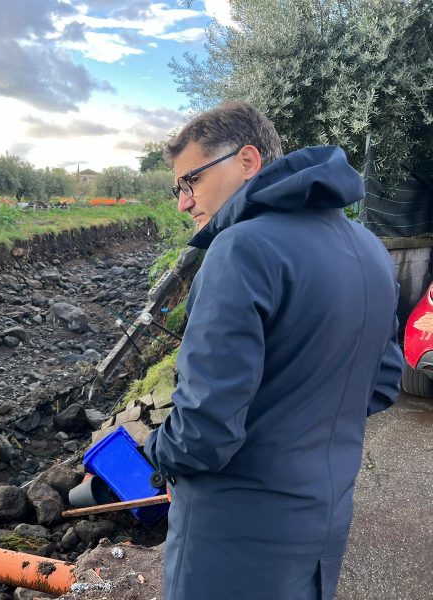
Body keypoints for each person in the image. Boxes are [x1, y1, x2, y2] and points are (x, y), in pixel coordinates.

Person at [144, 102, 403, 600]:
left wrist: (158, 452)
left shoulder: (240, 249)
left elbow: (204, 431)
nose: (183, 202)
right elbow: (385, 381)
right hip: (322, 520)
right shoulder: (370, 248)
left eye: (190, 181)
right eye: (178, 188)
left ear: (246, 160)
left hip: (232, 536)